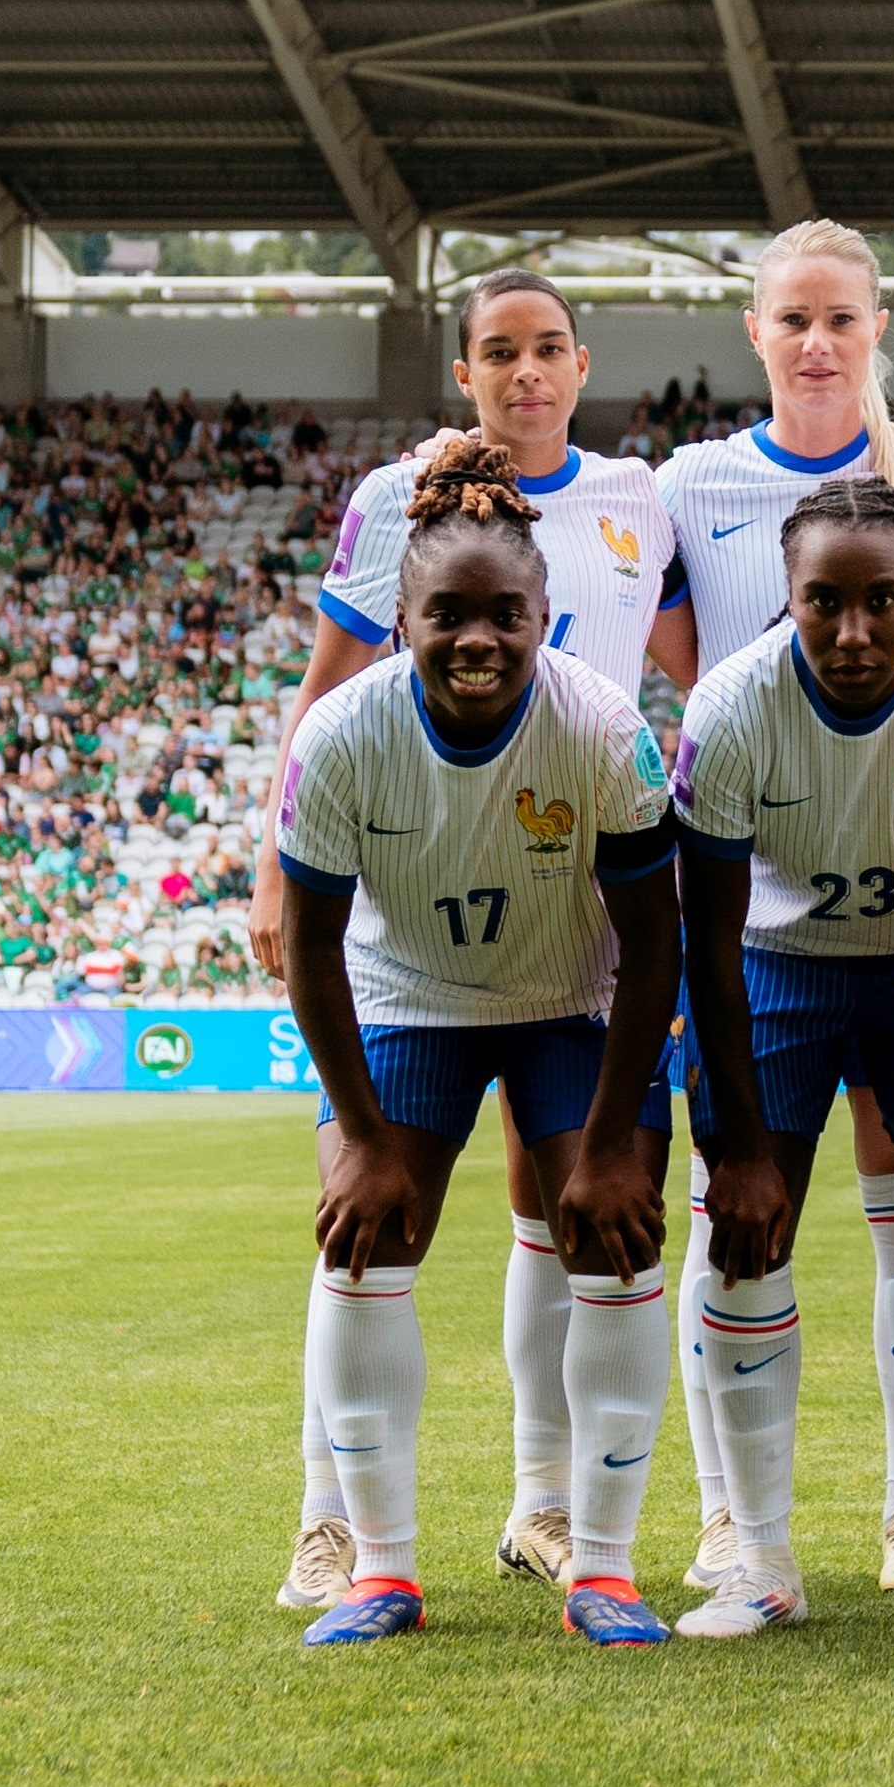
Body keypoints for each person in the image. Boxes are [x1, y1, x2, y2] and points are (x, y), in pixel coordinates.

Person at [253, 278, 688, 1611]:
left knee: (590, 1225)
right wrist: (361, 1122)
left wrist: (621, 1131)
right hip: (410, 976)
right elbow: (324, 942)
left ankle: (572, 1534)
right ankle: (356, 1548)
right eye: (498, 349)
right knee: (363, 1221)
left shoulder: (627, 554)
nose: (524, 370)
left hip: (571, 957)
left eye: (547, 346)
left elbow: (656, 931)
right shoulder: (367, 647)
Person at [656, 219, 894, 1597]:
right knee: (741, 1207)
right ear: (755, 331)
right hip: (764, 882)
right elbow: (663, 630)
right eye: (790, 318)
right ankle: (741, 1528)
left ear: (877, 327)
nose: (814, 342)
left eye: (839, 320)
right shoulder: (689, 479)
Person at [671, 477, 894, 1641]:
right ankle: (761, 1565)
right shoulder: (727, 708)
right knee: (742, 1237)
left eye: (882, 598)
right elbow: (709, 949)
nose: (854, 629)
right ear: (787, 595)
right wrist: (731, 1144)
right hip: (775, 970)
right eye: (823, 600)